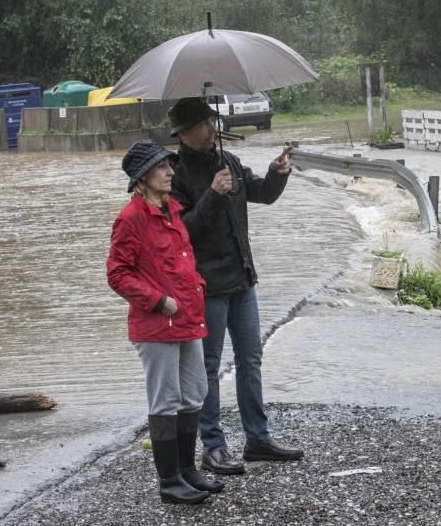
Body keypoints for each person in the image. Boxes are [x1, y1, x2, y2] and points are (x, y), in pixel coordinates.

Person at [167, 97, 302, 475]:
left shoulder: (228, 162)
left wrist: (278, 173)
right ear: (183, 133)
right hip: (205, 285)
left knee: (251, 359)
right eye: (204, 124)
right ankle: (213, 446)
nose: (212, 130)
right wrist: (212, 194)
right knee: (208, 368)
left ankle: (257, 438)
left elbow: (263, 194)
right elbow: (182, 232)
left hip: (243, 277)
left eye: (212, 121)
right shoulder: (175, 174)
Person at [106, 140, 225, 504]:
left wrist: (198, 287)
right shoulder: (131, 218)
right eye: (162, 167)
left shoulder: (174, 210)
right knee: (166, 400)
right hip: (157, 325)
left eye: (170, 166)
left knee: (194, 394)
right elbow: (117, 274)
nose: (171, 172)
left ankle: (188, 471)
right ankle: (169, 482)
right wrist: (158, 301)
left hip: (188, 317)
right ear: (143, 177)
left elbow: (183, 262)